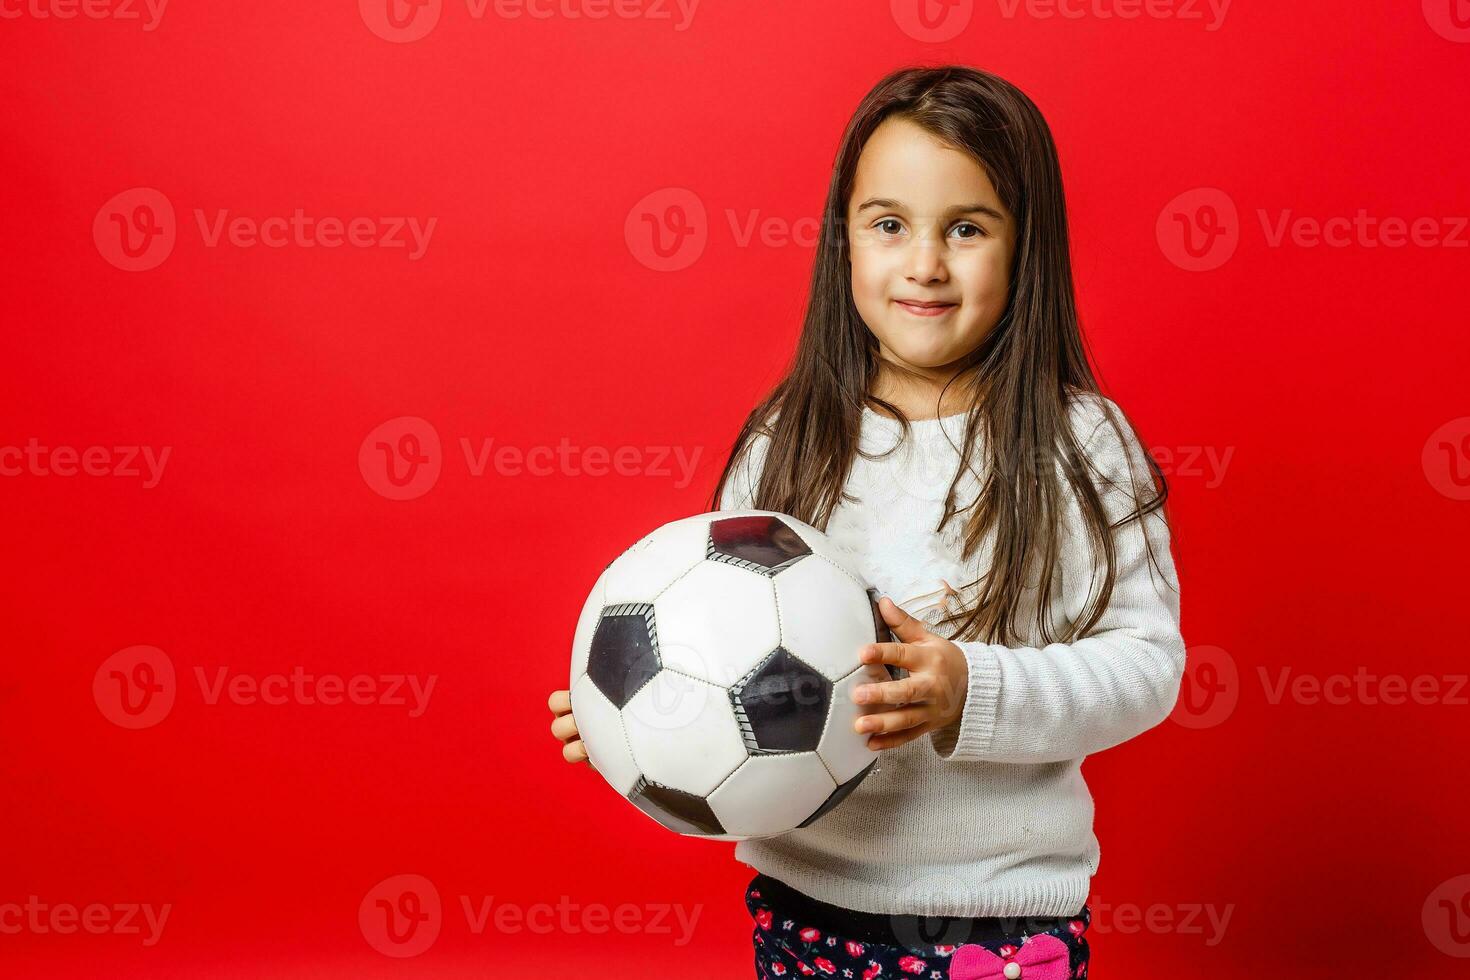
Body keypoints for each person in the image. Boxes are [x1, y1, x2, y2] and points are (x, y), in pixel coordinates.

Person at [548, 64, 1185, 979]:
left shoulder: (1076, 442)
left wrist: (971, 687)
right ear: (844, 242)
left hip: (1001, 917)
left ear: (1026, 248)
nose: (924, 263)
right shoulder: (789, 438)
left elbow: (1146, 665)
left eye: (966, 228)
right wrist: (637, 709)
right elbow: (714, 648)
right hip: (805, 909)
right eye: (888, 226)